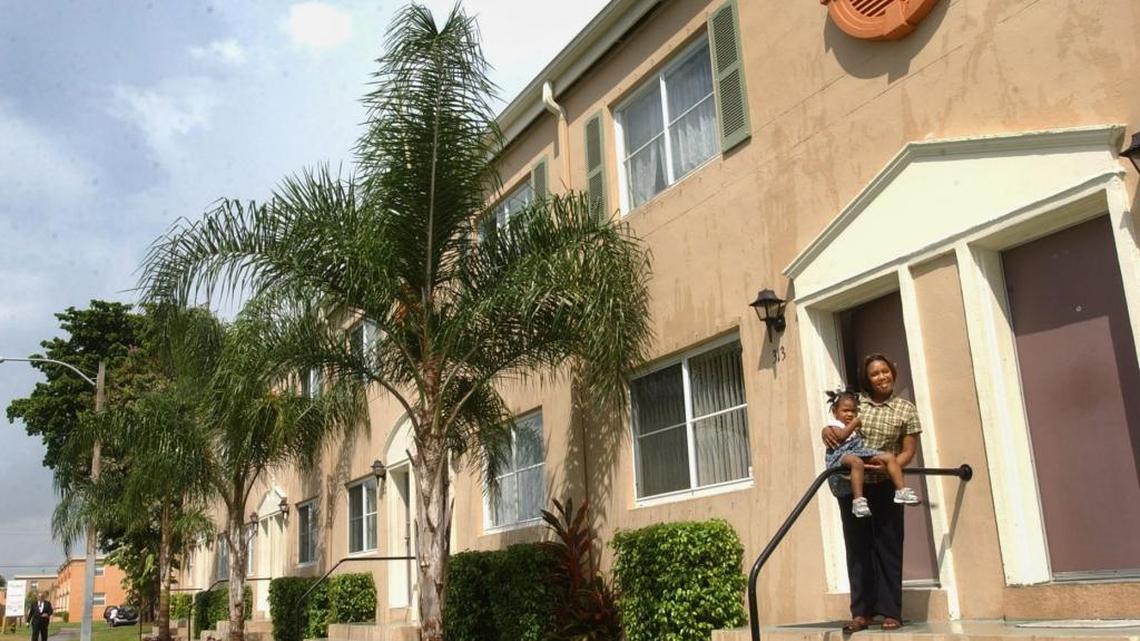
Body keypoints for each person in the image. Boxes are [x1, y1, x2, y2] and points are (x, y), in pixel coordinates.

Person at [821, 354, 921, 633]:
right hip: (855, 487)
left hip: (886, 482)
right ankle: (861, 612)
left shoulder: (906, 409)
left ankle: (891, 611)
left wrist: (890, 465)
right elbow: (837, 423)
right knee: (857, 547)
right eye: (874, 374)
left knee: (889, 544)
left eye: (884, 371)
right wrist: (827, 429)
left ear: (893, 373)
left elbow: (908, 451)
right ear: (867, 379)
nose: (881, 377)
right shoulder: (858, 403)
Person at [823, 388, 920, 518]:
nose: (850, 414)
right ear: (835, 412)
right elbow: (841, 436)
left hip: (857, 452)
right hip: (840, 456)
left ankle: (901, 490)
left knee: (889, 457)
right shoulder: (835, 424)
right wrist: (855, 423)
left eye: (853, 411)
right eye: (845, 411)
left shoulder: (850, 423)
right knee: (857, 462)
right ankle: (858, 500)